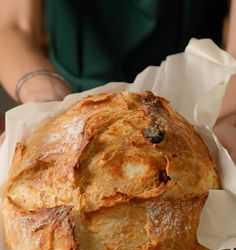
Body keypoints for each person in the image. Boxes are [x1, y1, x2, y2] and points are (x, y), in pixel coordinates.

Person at [0, 0, 235, 162]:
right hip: (70, 106)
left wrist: (226, 119)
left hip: (195, 113)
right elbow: (13, 25)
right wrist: (44, 101)